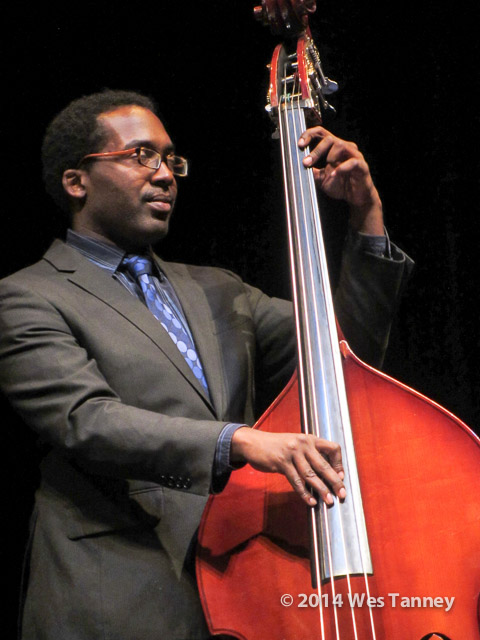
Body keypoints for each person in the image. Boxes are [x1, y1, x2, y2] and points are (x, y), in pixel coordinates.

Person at [0, 89, 412, 640]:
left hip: (240, 579)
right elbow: (85, 420)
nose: (165, 175)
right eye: (141, 156)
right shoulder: (27, 296)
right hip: (117, 593)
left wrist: (365, 214)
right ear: (77, 181)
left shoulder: (218, 288)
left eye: (171, 159)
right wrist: (237, 441)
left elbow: (341, 356)